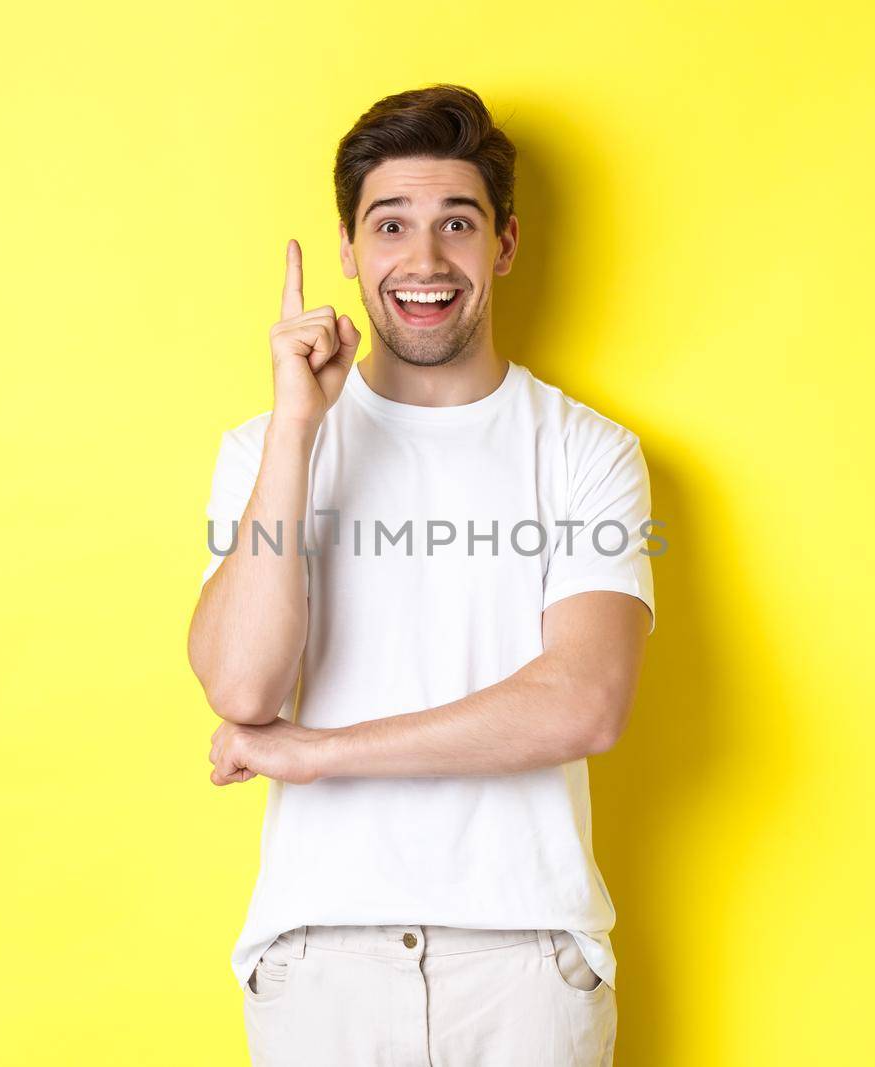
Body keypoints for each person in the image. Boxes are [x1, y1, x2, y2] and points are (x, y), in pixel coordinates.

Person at [186, 83, 657, 1067]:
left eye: (458, 222)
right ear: (351, 252)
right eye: (390, 224)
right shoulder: (266, 448)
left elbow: (582, 702)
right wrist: (296, 432)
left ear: (506, 243)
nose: (426, 259)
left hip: (527, 961)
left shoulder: (585, 451)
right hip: (318, 962)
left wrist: (317, 752)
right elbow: (240, 685)